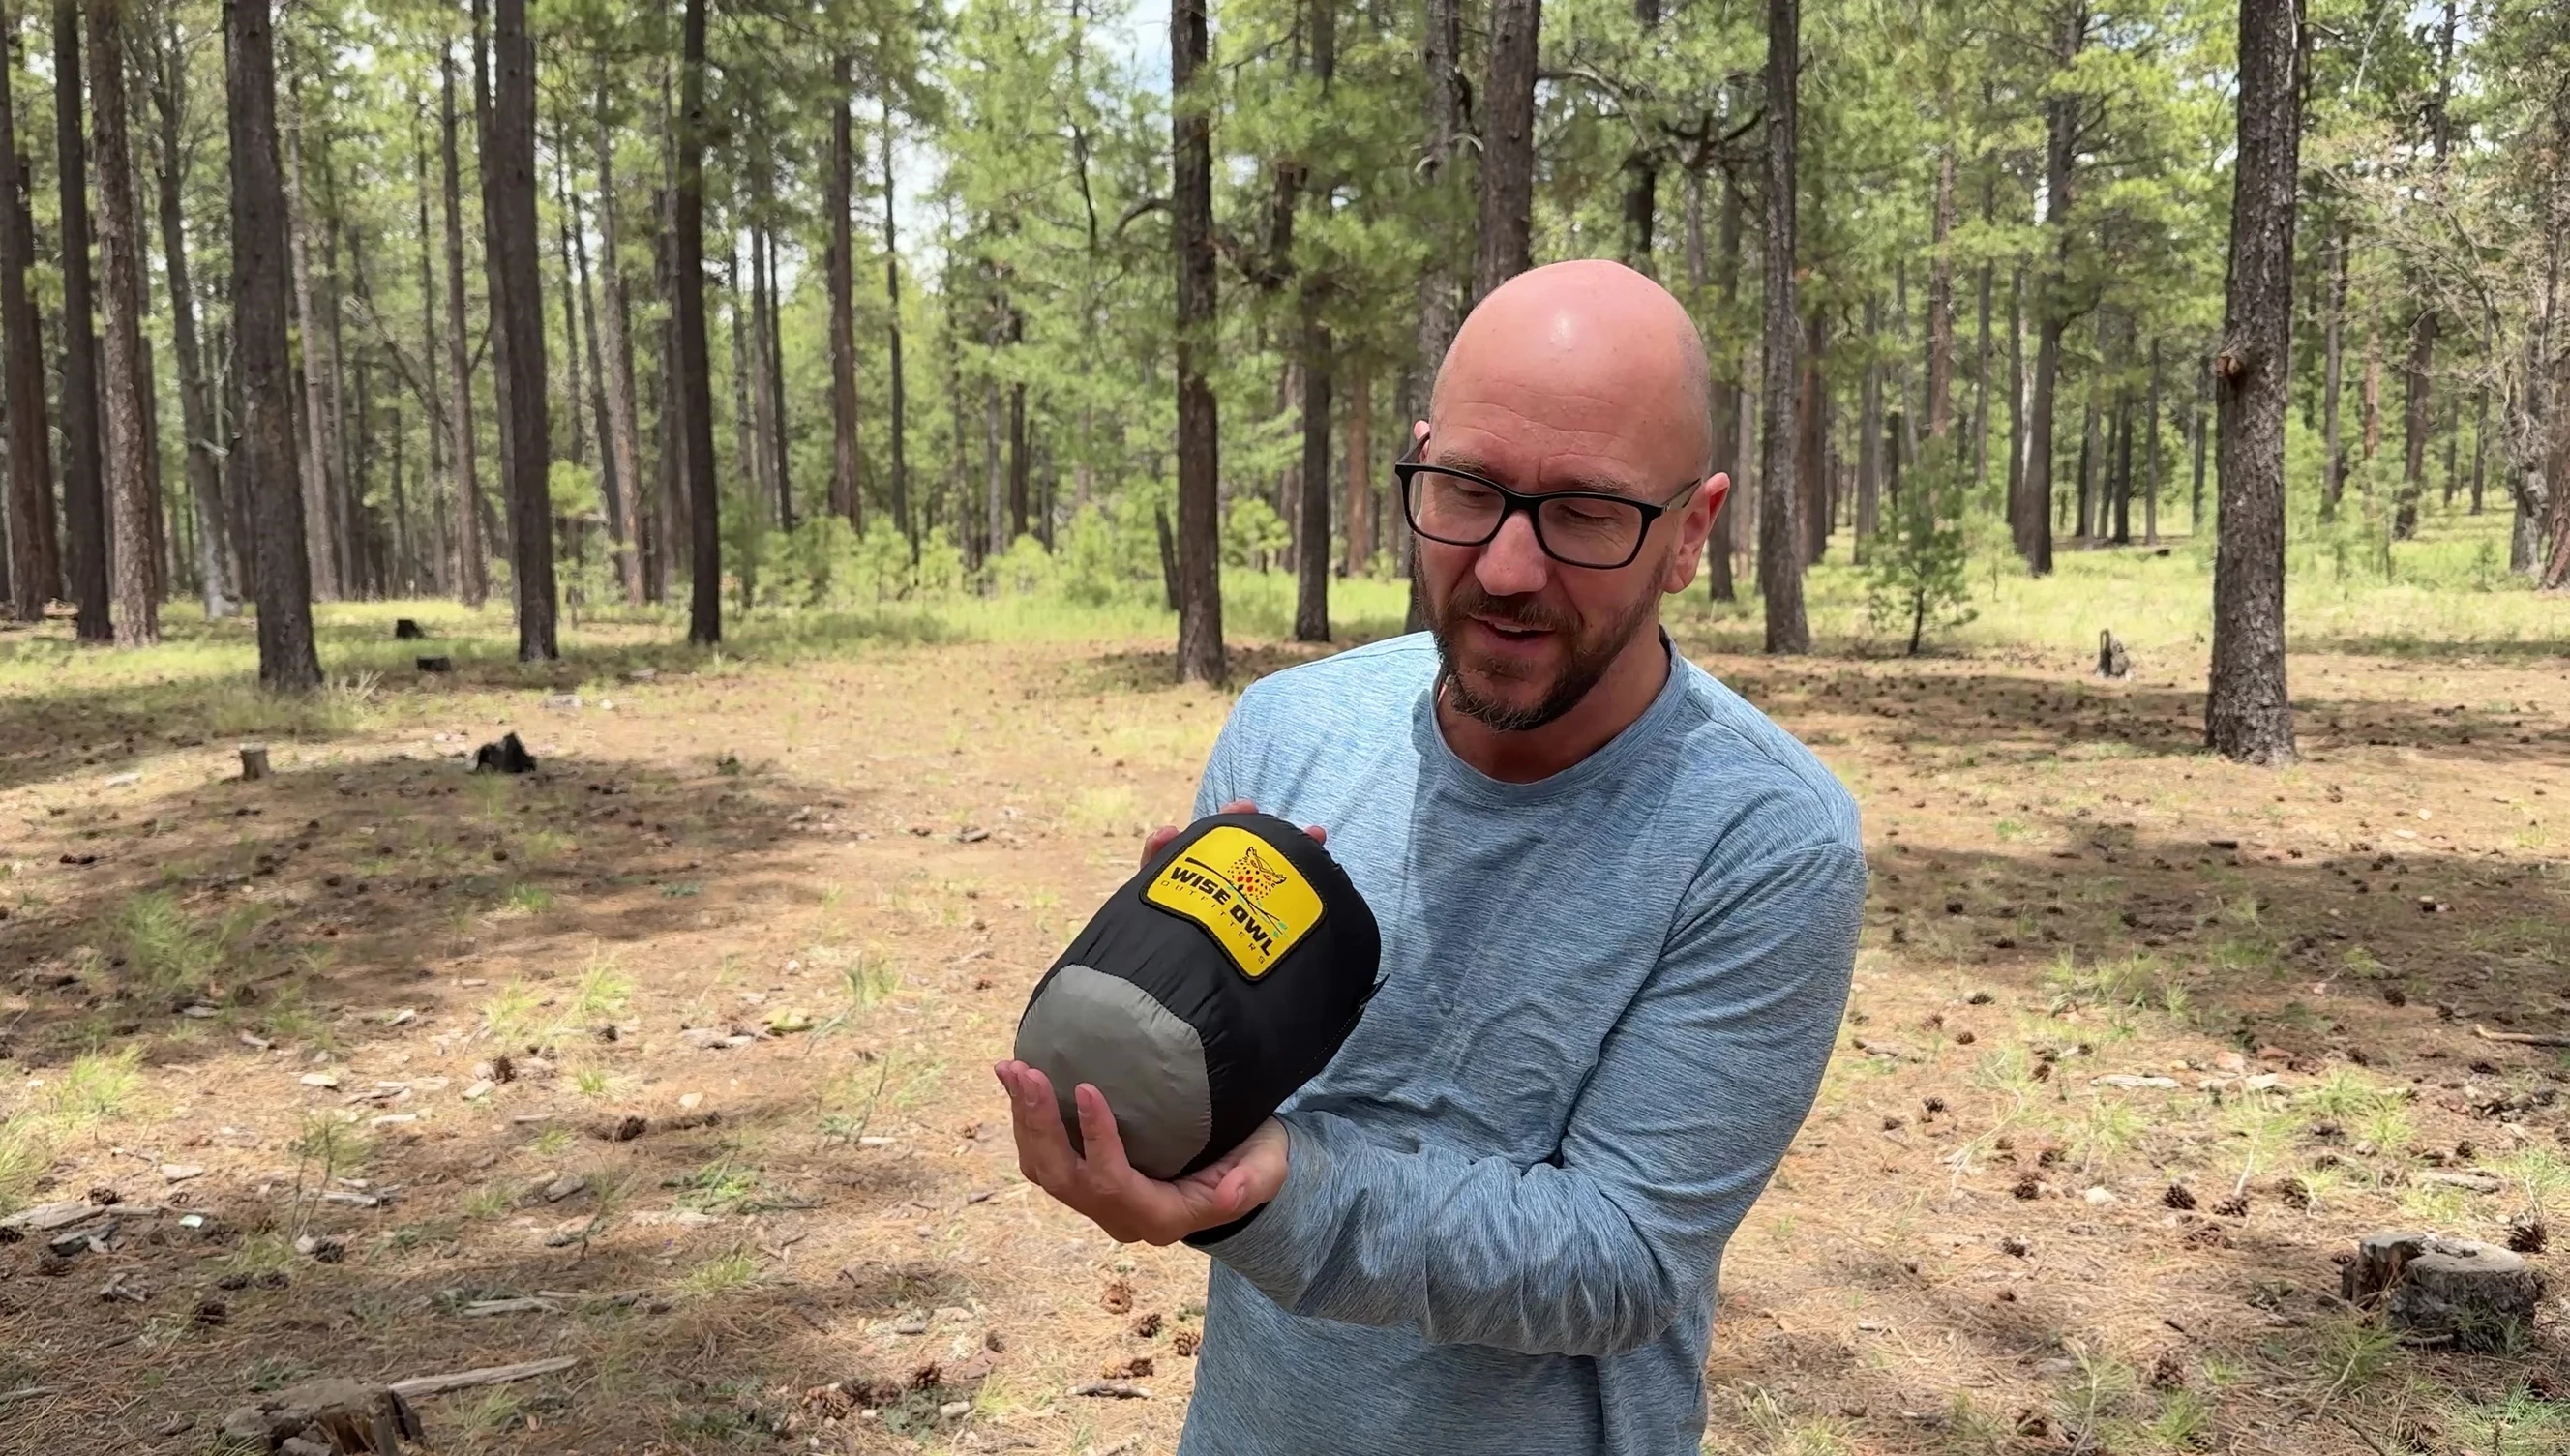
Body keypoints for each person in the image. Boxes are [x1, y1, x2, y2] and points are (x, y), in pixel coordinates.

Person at [994, 259, 1866, 1454]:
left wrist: (1259, 1194)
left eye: (1585, 511)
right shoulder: (1286, 732)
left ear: (1689, 533)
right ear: (1420, 460)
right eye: (1467, 488)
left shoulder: (1763, 839)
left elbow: (1620, 1255)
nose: (1507, 568)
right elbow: (1203, 1090)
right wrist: (1150, 1039)